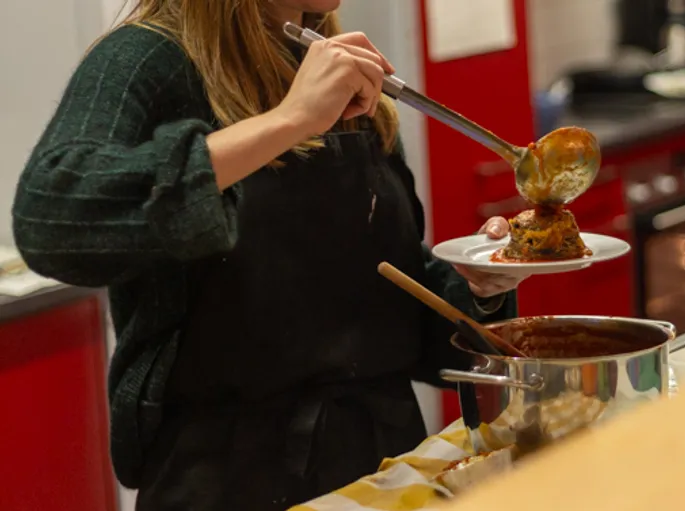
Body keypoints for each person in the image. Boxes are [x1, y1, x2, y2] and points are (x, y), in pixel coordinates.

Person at [12, 1, 525, 509]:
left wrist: (478, 289)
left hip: (381, 473)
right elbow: (51, 218)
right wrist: (291, 120)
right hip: (226, 484)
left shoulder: (340, 66)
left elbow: (390, 298)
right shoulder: (147, 58)